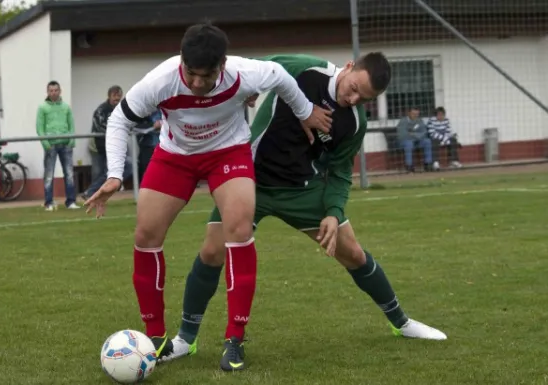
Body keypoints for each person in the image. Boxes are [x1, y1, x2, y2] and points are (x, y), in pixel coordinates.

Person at [160, 53, 448, 370]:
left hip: (302, 190)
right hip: (247, 178)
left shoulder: (354, 123)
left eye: (363, 98)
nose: (352, 98)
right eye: (353, 88)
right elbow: (262, 64)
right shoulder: (306, 70)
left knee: (353, 253)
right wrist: (250, 86)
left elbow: (339, 173)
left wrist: (333, 212)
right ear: (350, 66)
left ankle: (402, 322)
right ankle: (186, 339)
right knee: (212, 251)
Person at [84, 23, 332, 371]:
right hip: (174, 157)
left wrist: (305, 111)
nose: (198, 83)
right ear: (181, 60)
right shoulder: (161, 79)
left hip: (228, 153)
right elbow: (118, 120)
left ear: (223, 64)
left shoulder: (244, 73)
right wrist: (113, 174)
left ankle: (234, 339)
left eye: (207, 75)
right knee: (145, 236)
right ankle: (156, 339)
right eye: (191, 73)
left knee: (239, 230)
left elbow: (279, 76)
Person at [36, 80, 79, 210]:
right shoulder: (42, 107)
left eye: (56, 90)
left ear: (60, 91)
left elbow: (71, 124)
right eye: (51, 90)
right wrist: (46, 144)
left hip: (66, 145)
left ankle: (71, 201)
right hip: (51, 145)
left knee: (69, 173)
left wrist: (72, 141)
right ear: (47, 92)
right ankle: (48, 202)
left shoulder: (66, 107)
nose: (53, 93)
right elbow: (40, 127)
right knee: (49, 175)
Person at [396, 107, 433, 172]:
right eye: (413, 114)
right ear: (409, 113)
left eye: (417, 114)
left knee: (427, 141)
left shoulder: (420, 121)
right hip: (403, 142)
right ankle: (409, 165)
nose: (415, 115)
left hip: (417, 141)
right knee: (409, 143)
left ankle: (428, 164)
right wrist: (416, 135)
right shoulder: (403, 121)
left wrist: (413, 134)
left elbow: (424, 132)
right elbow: (403, 135)